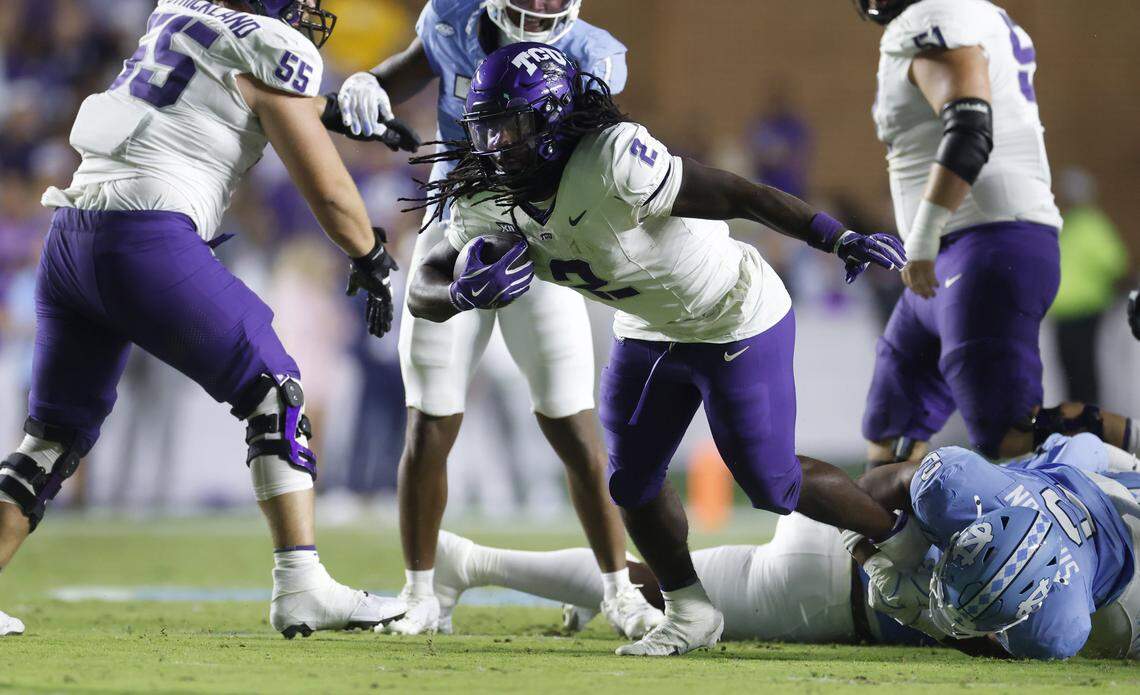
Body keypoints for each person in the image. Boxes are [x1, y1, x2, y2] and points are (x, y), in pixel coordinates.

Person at [406, 42, 909, 656]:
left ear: (554, 117)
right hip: (648, 328)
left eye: (512, 126)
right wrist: (459, 291)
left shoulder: (613, 159)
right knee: (632, 482)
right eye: (487, 128)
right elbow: (423, 286)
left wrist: (836, 236)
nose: (496, 145)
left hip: (733, 313)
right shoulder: (487, 196)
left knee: (772, 485)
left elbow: (737, 194)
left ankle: (898, 545)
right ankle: (690, 610)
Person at [0, 0, 407, 638]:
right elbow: (326, 187)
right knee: (275, 390)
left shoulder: (175, 14)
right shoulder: (275, 45)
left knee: (50, 437)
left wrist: (328, 109)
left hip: (72, 237)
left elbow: (221, 88)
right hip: (146, 238)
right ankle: (301, 586)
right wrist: (373, 255)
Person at [330, 0, 662, 639]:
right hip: (455, 221)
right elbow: (409, 69)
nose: (539, 6)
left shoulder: (593, 52)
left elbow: (608, 145)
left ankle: (619, 591)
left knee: (574, 425)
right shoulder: (451, 20)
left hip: (543, 232)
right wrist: (370, 82)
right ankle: (421, 594)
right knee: (429, 417)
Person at [852, 0, 1140, 467]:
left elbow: (969, 128)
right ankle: (887, 540)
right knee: (891, 429)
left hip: (985, 243)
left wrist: (922, 238)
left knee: (1009, 435)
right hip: (956, 251)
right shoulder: (965, 17)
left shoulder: (933, 20)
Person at [427, 517, 968, 649]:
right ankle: (467, 562)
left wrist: (869, 535)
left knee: (645, 579)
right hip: (828, 594)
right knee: (645, 591)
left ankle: (473, 563)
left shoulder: (1038, 484)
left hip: (829, 545)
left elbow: (909, 472)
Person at [847, 433, 1140, 659]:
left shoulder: (1060, 620)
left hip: (1116, 577)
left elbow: (1088, 446)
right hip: (1075, 479)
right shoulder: (955, 488)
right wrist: (880, 570)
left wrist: (921, 618)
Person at [1049, 167, 1129, 404]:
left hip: (1085, 312)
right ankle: (1076, 413)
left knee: (1081, 367)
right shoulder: (1067, 227)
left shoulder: (1092, 226)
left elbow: (1115, 263)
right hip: (1065, 314)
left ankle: (1088, 415)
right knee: (1071, 368)